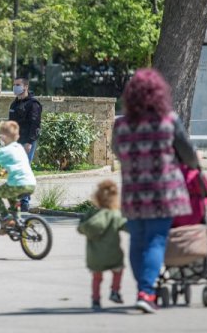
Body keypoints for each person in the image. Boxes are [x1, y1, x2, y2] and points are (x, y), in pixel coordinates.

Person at [112, 68, 199, 314]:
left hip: (133, 194)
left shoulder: (121, 126)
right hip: (164, 194)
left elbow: (118, 153)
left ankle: (144, 289)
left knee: (137, 241)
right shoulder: (169, 120)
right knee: (156, 241)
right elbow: (188, 154)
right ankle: (146, 292)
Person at [77, 180, 126, 310]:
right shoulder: (115, 214)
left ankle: (95, 300)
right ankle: (115, 291)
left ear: (97, 197)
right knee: (118, 269)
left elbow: (81, 228)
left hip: (94, 256)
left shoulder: (91, 214)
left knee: (97, 278)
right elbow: (127, 227)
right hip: (113, 254)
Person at [9, 77, 42, 211]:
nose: (15, 87)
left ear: (25, 87)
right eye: (14, 85)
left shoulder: (33, 104)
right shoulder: (14, 104)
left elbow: (35, 124)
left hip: (27, 141)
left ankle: (25, 201)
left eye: (18, 85)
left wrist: (29, 142)